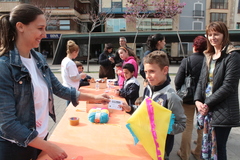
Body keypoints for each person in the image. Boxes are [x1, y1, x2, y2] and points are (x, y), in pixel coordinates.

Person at [0, 4, 109, 160]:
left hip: (40, 140)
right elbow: (7, 124)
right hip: (16, 148)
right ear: (20, 27)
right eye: (40, 28)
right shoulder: (4, 66)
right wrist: (48, 146)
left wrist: (95, 98)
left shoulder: (38, 59)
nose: (44, 34)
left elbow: (60, 89)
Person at [120, 51, 186, 159]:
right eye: (146, 71)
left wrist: (161, 126)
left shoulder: (171, 97)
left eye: (152, 71)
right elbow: (143, 110)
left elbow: (181, 125)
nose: (147, 76)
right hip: (146, 141)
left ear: (165, 70)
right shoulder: (148, 89)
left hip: (160, 150)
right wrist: (131, 108)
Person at [194, 21, 240, 160]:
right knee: (206, 146)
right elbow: (202, 81)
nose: (213, 37)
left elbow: (229, 86)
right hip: (206, 108)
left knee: (219, 148)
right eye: (210, 35)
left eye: (216, 34)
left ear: (224, 35)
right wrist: (197, 101)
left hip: (222, 109)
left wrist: (207, 103)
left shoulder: (233, 56)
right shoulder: (209, 55)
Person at [175, 36, 207, 160]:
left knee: (187, 126)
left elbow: (178, 80)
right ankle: (198, 153)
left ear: (194, 46)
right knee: (201, 126)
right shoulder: (208, 60)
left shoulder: (187, 60)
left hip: (188, 98)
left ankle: (184, 154)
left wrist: (180, 90)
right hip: (203, 99)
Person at [61, 40, 87, 105]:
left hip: (67, 86)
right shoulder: (70, 63)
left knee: (69, 105)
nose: (77, 54)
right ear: (74, 52)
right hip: (71, 89)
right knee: (71, 107)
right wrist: (81, 75)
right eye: (77, 52)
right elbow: (73, 78)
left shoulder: (64, 60)